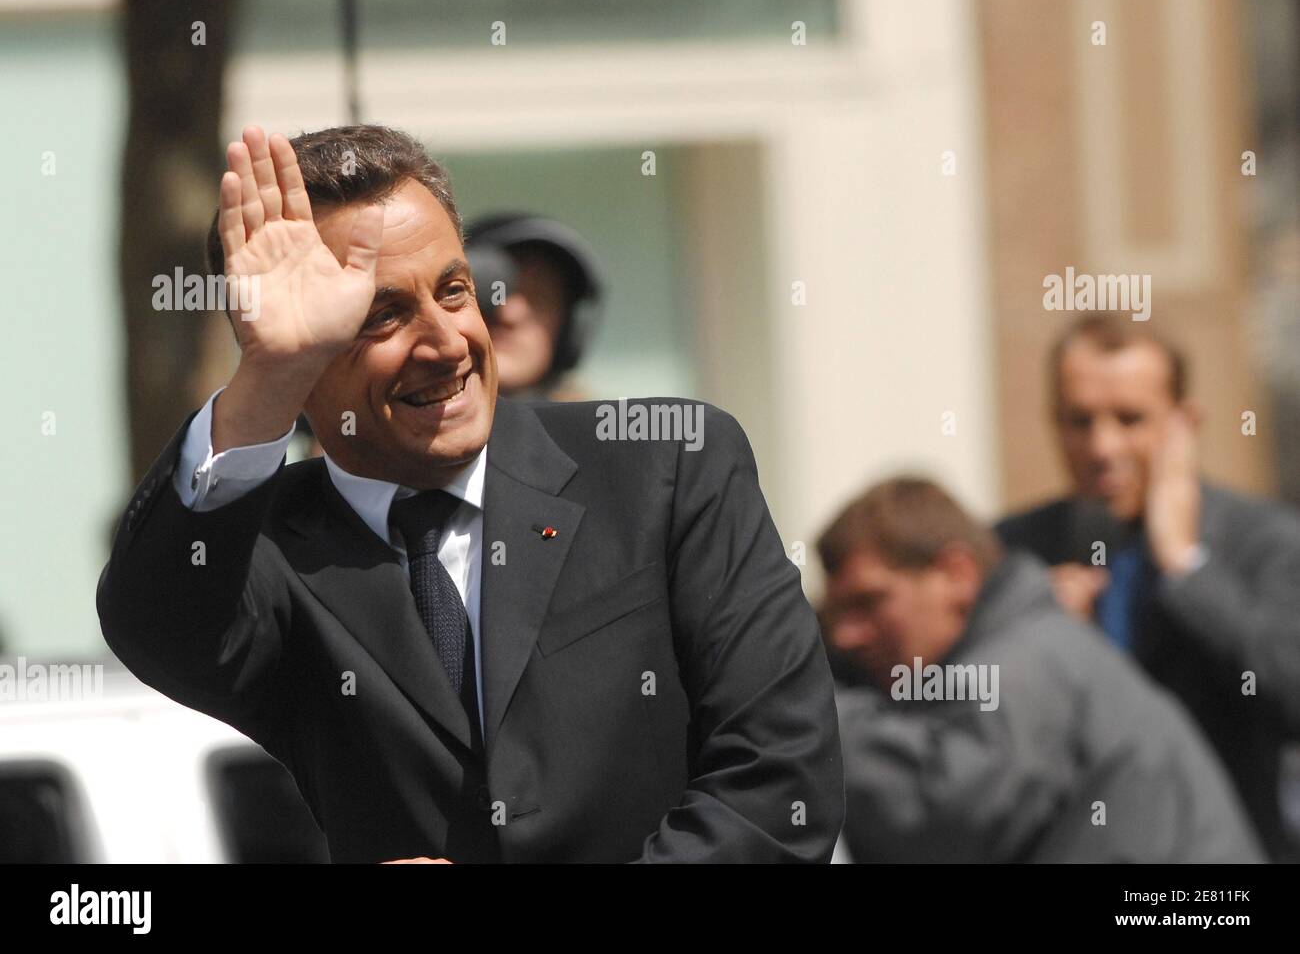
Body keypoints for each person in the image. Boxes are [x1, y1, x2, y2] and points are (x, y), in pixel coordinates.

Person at [96, 124, 844, 863]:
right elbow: (157, 626)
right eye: (381, 315)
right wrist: (266, 382)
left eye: (455, 290)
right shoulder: (268, 551)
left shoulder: (668, 465)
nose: (447, 342)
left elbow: (778, 787)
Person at [821, 477, 1263, 863]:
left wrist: (812, 720)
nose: (846, 635)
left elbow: (949, 815)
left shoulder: (1021, 666)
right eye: (837, 613)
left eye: (869, 602)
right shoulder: (1028, 644)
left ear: (956, 574)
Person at [997, 315, 1300, 859]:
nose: (1102, 446)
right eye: (1080, 421)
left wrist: (1187, 565)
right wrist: (1034, 631)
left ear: (1185, 423)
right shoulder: (1014, 555)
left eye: (1130, 419)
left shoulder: (1262, 543)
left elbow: (1288, 691)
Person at [463, 213, 603, 401]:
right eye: (494, 290)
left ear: (567, 331)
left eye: (539, 297)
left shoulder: (598, 427)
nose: (509, 313)